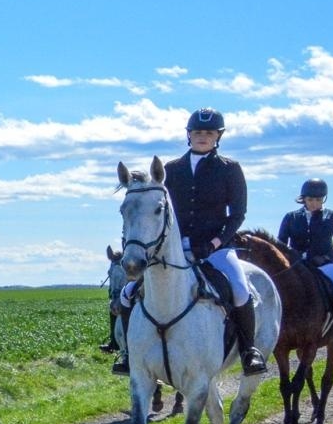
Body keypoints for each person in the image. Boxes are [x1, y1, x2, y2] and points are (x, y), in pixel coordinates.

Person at [114, 107, 267, 376]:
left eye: (209, 133)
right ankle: (127, 354)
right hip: (175, 249)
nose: (202, 137)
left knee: (241, 290)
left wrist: (215, 243)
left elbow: (238, 214)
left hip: (216, 248)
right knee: (127, 294)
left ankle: (248, 352)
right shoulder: (171, 170)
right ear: (189, 135)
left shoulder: (230, 169)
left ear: (218, 136)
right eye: (197, 132)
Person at [277, 178, 333, 348]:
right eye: (311, 200)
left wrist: (328, 257)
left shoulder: (332, 217)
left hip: (324, 264)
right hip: (297, 265)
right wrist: (292, 257)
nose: (314, 204)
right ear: (304, 199)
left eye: (318, 200)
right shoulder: (291, 217)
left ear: (323, 199)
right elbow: (280, 243)